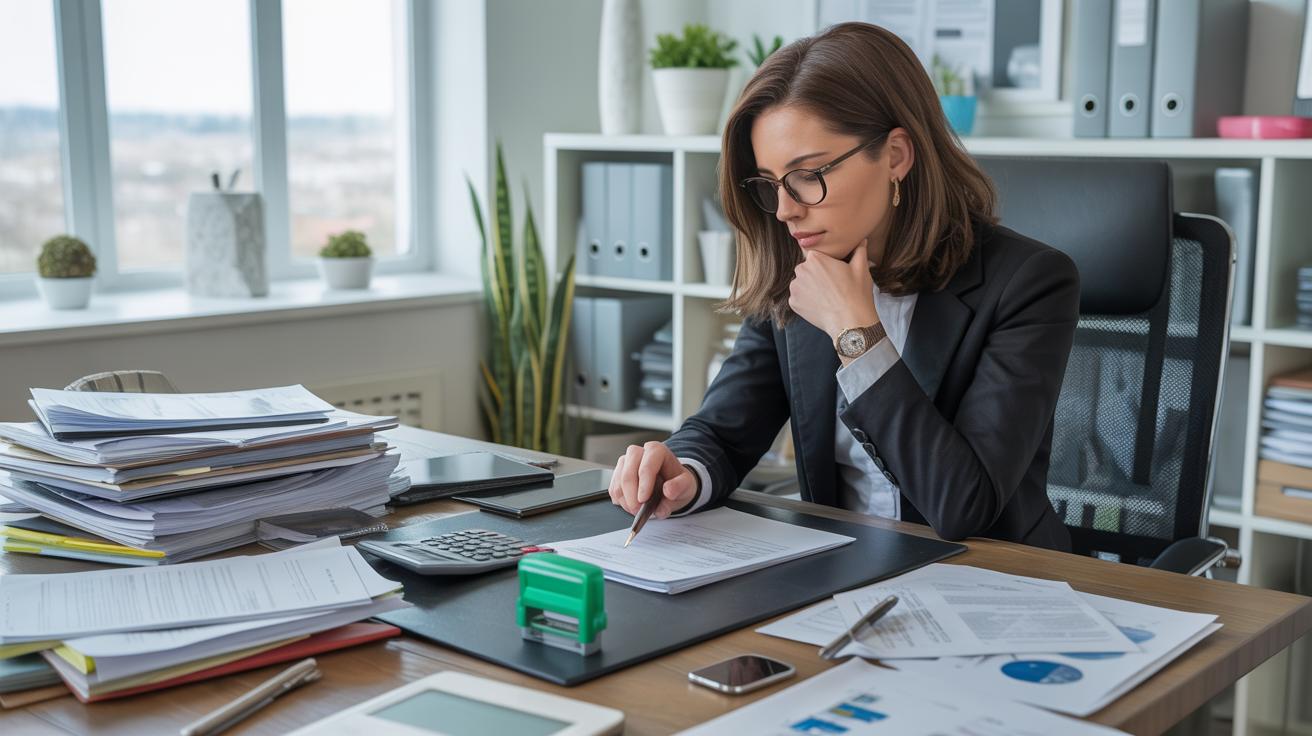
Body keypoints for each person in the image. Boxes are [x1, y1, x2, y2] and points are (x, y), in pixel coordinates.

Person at [607, 22, 1079, 550]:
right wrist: (682, 472)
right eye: (771, 183)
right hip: (842, 572)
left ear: (896, 156)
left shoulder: (1028, 283)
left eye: (809, 174)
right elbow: (724, 430)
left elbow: (961, 506)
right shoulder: (800, 270)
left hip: (996, 580)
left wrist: (856, 332)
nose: (786, 210)